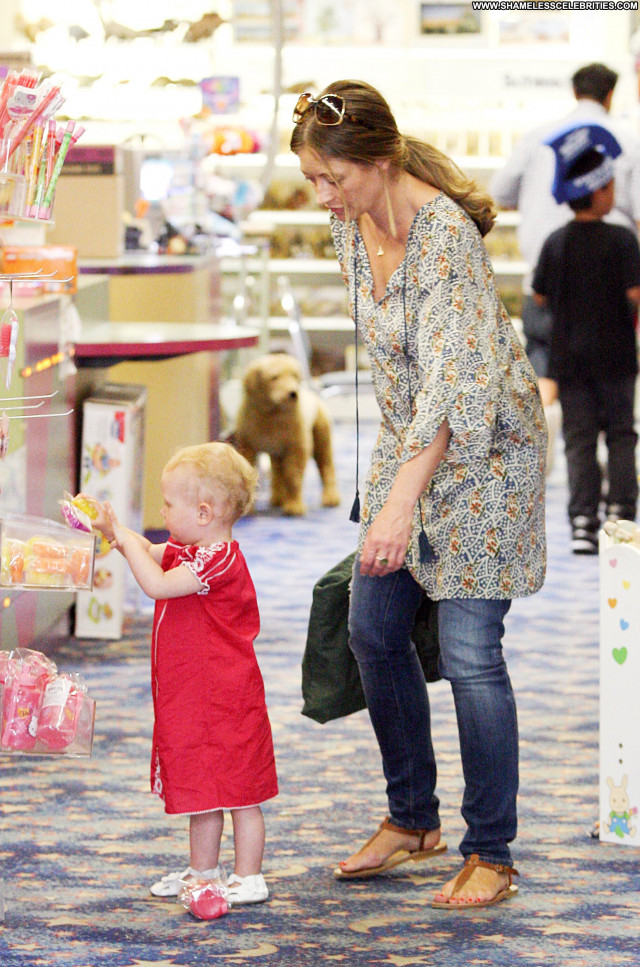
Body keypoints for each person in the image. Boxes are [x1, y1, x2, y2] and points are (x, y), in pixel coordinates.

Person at [290, 80, 547, 909]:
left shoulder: (447, 241)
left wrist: (400, 503)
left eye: (334, 178)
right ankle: (412, 817)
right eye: (313, 180)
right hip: (413, 448)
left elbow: (452, 384)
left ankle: (492, 849)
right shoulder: (348, 225)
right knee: (371, 627)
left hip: (485, 457)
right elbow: (404, 376)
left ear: (382, 159)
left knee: (473, 653)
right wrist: (395, 488)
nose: (323, 197)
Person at [84, 442, 278, 906]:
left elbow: (156, 584)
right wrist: (118, 532)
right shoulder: (192, 548)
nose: (163, 511)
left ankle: (249, 876)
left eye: (169, 504)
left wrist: (126, 544)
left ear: (205, 512)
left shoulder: (217, 560)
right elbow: (153, 550)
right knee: (203, 788)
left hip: (226, 697)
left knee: (241, 791)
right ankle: (203, 870)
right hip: (196, 695)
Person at [490, 63, 640, 469]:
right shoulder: (629, 140)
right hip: (612, 288)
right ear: (610, 95)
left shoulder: (536, 138)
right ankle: (617, 488)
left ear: (575, 93)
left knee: (544, 376)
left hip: (545, 279)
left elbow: (498, 192)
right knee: (617, 403)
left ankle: (540, 465)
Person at [532, 123, 640, 554]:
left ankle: (582, 519)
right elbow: (635, 293)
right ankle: (621, 512)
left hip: (568, 359)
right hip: (616, 357)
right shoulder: (623, 240)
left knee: (578, 438)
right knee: (619, 434)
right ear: (597, 191)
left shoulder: (555, 241)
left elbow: (539, 294)